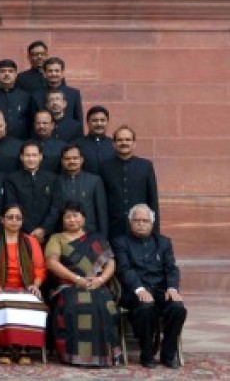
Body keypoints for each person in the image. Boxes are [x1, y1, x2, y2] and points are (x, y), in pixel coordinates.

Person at [45, 201, 121, 367]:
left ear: (84, 218)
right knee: (75, 307)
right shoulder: (57, 238)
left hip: (96, 284)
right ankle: (74, 355)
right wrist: (77, 279)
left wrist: (100, 280)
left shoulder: (96, 238)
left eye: (75, 216)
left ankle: (104, 356)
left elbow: (110, 263)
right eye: (67, 217)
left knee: (102, 305)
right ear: (63, 220)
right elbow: (52, 263)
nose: (72, 220)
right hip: (68, 285)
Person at [112, 204, 187, 369]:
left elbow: (171, 268)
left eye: (145, 221)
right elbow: (124, 269)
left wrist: (172, 288)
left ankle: (168, 353)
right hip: (134, 291)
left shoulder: (163, 242)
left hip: (161, 290)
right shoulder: (120, 242)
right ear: (130, 222)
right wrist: (139, 289)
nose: (141, 224)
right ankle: (147, 353)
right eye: (137, 220)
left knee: (178, 308)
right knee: (146, 307)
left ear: (152, 223)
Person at [0, 204, 47, 365]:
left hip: (25, 288)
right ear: (2, 220)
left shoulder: (31, 242)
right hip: (0, 287)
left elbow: (40, 268)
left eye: (18, 218)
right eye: (10, 217)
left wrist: (35, 285)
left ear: (22, 221)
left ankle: (24, 348)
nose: (14, 221)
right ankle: (7, 348)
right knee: (5, 304)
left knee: (32, 303)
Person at [101, 125, 160, 239]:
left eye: (128, 140)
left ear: (134, 143)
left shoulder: (146, 166)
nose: (124, 143)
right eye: (120, 140)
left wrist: (154, 231)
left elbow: (152, 199)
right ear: (114, 144)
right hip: (113, 228)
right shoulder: (104, 167)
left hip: (139, 227)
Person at [44, 144, 108, 237]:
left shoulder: (94, 181)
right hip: (64, 235)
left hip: (89, 234)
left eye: (75, 158)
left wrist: (103, 237)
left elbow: (101, 213)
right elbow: (54, 210)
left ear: (81, 160)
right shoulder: (57, 181)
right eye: (67, 158)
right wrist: (45, 229)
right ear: (62, 161)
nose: (72, 161)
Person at [3, 141, 57, 243]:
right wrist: (30, 230)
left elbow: (55, 207)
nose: (31, 159)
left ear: (40, 157)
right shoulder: (12, 179)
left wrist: (43, 229)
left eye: (34, 155)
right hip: (21, 232)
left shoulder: (52, 179)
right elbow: (11, 204)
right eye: (27, 155)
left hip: (48, 234)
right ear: (21, 157)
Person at [0, 59, 33, 140]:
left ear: (16, 75)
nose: (7, 74)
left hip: (20, 142)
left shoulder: (26, 96)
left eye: (10, 71)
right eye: (3, 71)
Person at [32, 57, 83, 122]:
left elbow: (78, 120)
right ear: (44, 74)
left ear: (62, 73)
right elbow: (33, 121)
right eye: (50, 71)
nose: (53, 74)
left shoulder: (74, 94)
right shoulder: (36, 95)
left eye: (57, 71)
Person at [74, 105, 116, 176]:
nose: (99, 124)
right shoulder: (77, 145)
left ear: (107, 122)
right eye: (94, 120)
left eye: (102, 120)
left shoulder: (114, 144)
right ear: (87, 122)